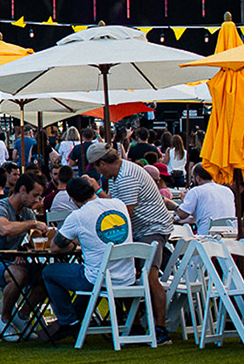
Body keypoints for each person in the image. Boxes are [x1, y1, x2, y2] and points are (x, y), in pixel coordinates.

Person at [90, 141, 171, 340]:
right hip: (143, 228)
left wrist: (97, 191)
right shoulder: (121, 172)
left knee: (149, 277)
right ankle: (134, 324)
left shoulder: (125, 176)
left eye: (97, 168)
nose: (99, 174)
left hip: (152, 228)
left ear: (102, 163)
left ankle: (160, 327)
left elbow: (124, 214)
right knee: (125, 274)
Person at [42, 175, 136, 341]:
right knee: (88, 270)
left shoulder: (78, 216)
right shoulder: (118, 204)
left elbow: (55, 247)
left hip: (98, 279)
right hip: (127, 275)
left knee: (49, 272)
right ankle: (78, 317)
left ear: (72, 199)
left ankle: (68, 321)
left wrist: (73, 243)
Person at [0, 172, 48, 332]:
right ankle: (4, 318)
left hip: (8, 263)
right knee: (18, 274)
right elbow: (5, 229)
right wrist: (33, 224)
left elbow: (28, 241)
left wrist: (21, 251)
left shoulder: (26, 212)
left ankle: (21, 316)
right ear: (22, 190)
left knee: (49, 275)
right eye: (35, 195)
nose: (37, 200)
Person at [175, 164, 236, 233]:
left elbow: (182, 214)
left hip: (205, 235)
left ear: (198, 178)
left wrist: (182, 201)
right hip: (229, 233)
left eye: (192, 177)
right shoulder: (227, 191)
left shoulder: (196, 191)